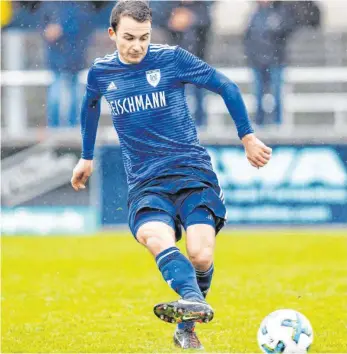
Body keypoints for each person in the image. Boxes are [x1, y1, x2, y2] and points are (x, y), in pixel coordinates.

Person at [71, 0, 272, 350]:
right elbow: (90, 105)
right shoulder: (101, 72)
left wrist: (247, 136)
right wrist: (86, 157)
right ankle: (194, 304)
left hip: (191, 172)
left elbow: (227, 86)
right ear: (112, 34)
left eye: (144, 38)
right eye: (129, 37)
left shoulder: (172, 59)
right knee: (154, 236)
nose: (137, 46)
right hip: (146, 182)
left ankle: (187, 322)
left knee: (200, 255)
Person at [151, 1, 214, 128]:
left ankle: (200, 123)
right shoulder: (170, 6)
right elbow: (157, 17)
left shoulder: (201, 7)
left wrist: (191, 19)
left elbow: (206, 22)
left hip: (197, 58)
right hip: (175, 59)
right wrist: (172, 21)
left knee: (198, 94)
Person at [42, 1, 95, 127]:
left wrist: (62, 29)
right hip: (60, 57)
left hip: (72, 57)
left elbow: (84, 27)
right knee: (60, 91)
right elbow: (44, 27)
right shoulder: (54, 6)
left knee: (71, 92)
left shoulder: (79, 7)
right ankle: (59, 127)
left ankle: (69, 127)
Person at [244, 0, 297, 126]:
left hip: (275, 61)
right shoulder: (255, 14)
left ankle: (277, 123)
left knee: (276, 94)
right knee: (258, 95)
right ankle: (259, 123)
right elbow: (249, 38)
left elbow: (286, 30)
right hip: (258, 62)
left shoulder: (281, 11)